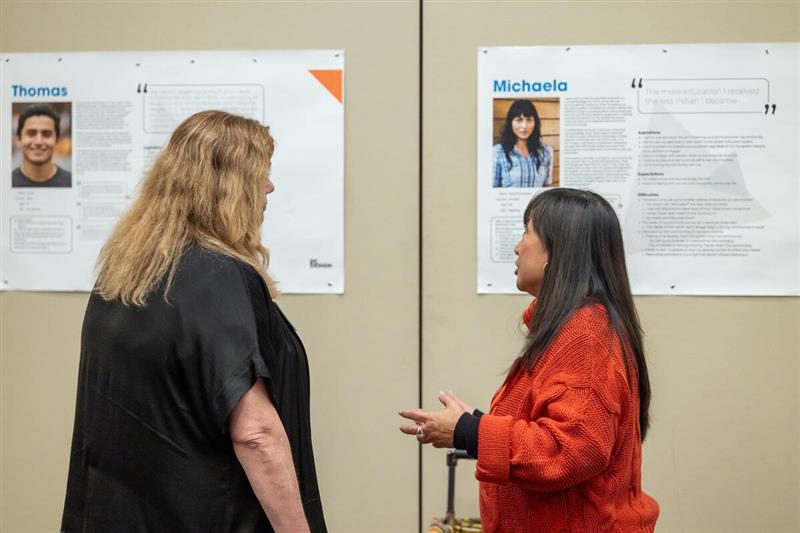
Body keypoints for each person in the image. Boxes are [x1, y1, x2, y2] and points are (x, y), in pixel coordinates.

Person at [61, 110, 326, 532]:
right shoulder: (217, 277)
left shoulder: (124, 276)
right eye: (262, 173)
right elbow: (256, 433)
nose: (270, 186)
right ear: (228, 185)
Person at [400, 188, 659, 532]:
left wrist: (469, 431)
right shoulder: (573, 327)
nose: (517, 247)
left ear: (558, 249)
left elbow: (570, 450)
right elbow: (551, 427)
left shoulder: (586, 334)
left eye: (526, 232)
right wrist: (471, 423)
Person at [492, 99, 553, 188]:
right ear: (510, 123)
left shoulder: (546, 151)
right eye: (519, 120)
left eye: (529, 120)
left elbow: (547, 187)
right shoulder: (498, 152)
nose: (524, 126)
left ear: (535, 123)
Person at [12, 104, 72, 187]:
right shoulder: (5, 185)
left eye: (47, 134)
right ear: (19, 140)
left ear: (57, 141)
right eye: (31, 133)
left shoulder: (71, 183)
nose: (38, 142)